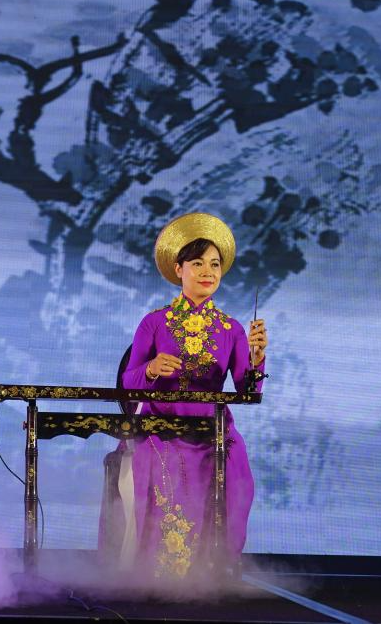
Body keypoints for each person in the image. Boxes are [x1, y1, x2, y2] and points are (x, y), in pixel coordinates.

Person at [100, 212, 267, 578]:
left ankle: (214, 570)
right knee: (158, 470)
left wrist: (256, 359)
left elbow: (248, 392)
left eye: (215, 264)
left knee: (237, 473)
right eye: (198, 263)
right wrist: (150, 369)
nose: (208, 272)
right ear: (178, 269)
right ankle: (159, 574)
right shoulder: (154, 323)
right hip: (159, 430)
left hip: (212, 433)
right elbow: (126, 382)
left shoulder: (232, 329)